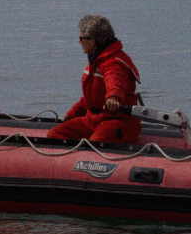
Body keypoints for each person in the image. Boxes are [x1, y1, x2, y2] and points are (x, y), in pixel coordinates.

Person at [47, 15, 142, 144]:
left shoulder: (114, 63)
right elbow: (91, 98)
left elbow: (115, 82)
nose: (79, 42)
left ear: (92, 41)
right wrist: (73, 112)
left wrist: (113, 98)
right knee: (55, 134)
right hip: (94, 119)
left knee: (97, 142)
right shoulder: (95, 61)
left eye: (81, 38)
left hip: (120, 121)